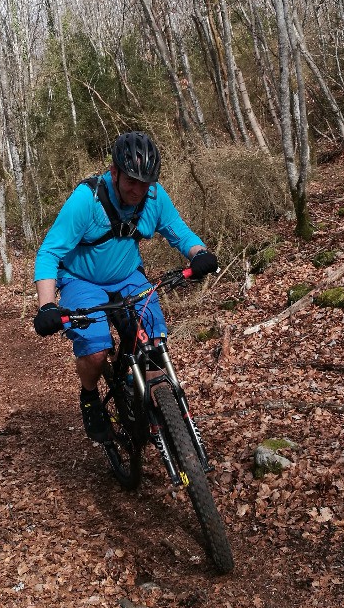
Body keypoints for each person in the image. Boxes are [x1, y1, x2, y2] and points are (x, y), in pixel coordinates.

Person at [33, 131, 218, 442]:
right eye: (132, 180)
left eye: (145, 182)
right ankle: (90, 397)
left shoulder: (154, 198)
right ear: (114, 172)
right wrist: (47, 306)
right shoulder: (86, 201)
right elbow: (50, 252)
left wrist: (199, 253)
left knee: (153, 341)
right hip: (81, 279)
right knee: (96, 352)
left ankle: (163, 416)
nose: (138, 189)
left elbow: (179, 233)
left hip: (128, 275)